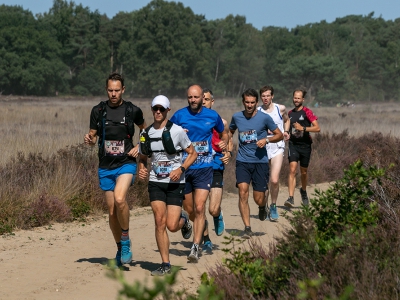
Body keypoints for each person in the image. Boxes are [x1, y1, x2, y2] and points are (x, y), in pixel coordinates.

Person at [84, 72, 146, 267]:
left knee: (120, 199)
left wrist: (140, 146)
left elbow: (145, 129)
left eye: (117, 90)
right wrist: (89, 140)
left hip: (126, 162)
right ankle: (120, 248)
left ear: (123, 90)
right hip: (105, 165)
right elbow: (93, 135)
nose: (113, 94)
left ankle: (126, 240)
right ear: (106, 90)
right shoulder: (98, 110)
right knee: (111, 212)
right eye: (110, 90)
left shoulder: (132, 110)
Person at [137, 95, 197, 276]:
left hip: (174, 182)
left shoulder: (177, 131)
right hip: (156, 182)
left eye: (161, 109)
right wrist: (141, 168)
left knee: (172, 225)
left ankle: (184, 219)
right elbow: (142, 157)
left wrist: (181, 168)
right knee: (159, 222)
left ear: (167, 111)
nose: (158, 112)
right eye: (155, 108)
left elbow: (192, 153)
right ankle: (165, 264)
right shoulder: (145, 134)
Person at [170, 85, 228, 262]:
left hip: (205, 168)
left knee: (201, 207)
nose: (193, 100)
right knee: (190, 209)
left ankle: (195, 247)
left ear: (203, 97)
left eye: (196, 97)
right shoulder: (179, 115)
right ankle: (193, 222)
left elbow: (223, 133)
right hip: (185, 169)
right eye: (190, 97)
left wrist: (224, 144)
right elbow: (167, 135)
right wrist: (178, 134)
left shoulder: (212, 116)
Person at [229, 88, 283, 238]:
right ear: (243, 102)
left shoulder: (264, 118)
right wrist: (227, 143)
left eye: (252, 102)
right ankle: (247, 227)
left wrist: (266, 140)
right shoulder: (237, 117)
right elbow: (230, 132)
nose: (249, 105)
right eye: (247, 102)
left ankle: (262, 206)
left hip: (260, 162)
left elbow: (279, 135)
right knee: (243, 192)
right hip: (242, 161)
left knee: (258, 198)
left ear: (256, 102)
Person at [201, 88, 233, 253]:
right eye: (201, 99)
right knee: (199, 208)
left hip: (215, 166)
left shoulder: (222, 121)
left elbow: (227, 137)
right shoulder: (192, 121)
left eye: (206, 99)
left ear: (212, 102)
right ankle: (206, 239)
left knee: (212, 208)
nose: (203, 102)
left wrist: (227, 151)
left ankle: (217, 215)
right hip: (197, 167)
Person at [257, 86, 290, 221]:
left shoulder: (280, 108)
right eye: (263, 96)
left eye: (268, 95)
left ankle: (274, 205)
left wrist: (286, 131)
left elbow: (287, 120)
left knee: (274, 179)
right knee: (263, 182)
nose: (265, 98)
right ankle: (263, 206)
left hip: (277, 146)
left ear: (272, 96)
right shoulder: (257, 111)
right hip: (263, 148)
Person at [284, 88, 320, 208]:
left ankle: (303, 191)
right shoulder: (289, 114)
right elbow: (288, 128)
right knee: (292, 170)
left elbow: (317, 128)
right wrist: (287, 134)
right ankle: (290, 197)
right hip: (293, 145)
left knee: (303, 172)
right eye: (295, 97)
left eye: (299, 98)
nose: (296, 100)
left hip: (305, 146)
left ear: (303, 99)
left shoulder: (307, 112)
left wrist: (303, 128)